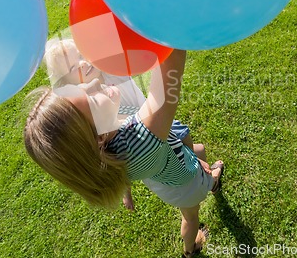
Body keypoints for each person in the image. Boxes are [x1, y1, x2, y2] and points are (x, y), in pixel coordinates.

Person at [24, 48, 224, 257]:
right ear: (98, 137)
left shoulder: (107, 153)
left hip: (168, 178)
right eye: (90, 97)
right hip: (187, 186)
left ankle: (204, 175)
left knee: (198, 154)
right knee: (191, 217)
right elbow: (172, 57)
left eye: (80, 85)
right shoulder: (140, 140)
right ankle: (191, 247)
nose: (93, 83)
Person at [43, 37, 203, 211]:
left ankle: (196, 165)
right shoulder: (104, 126)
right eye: (73, 67)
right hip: (150, 132)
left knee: (186, 140)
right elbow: (171, 68)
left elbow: (108, 35)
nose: (83, 63)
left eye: (82, 54)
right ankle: (198, 173)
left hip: (155, 128)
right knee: (184, 156)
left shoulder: (107, 71)